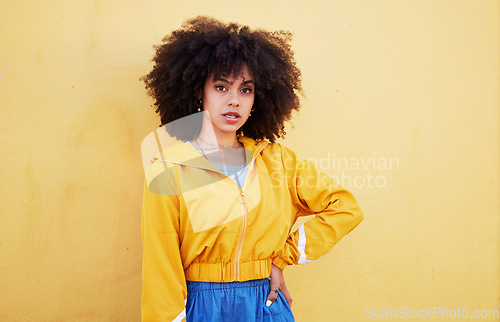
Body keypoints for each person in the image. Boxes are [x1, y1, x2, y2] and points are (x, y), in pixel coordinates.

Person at [140, 16, 364, 321]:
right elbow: (160, 265)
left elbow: (345, 207)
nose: (234, 101)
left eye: (246, 90)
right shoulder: (168, 169)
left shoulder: (278, 161)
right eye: (221, 87)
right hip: (201, 306)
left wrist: (280, 259)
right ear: (198, 92)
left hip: (264, 303)